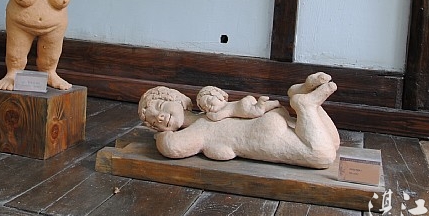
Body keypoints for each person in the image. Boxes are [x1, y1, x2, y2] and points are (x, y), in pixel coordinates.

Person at [137, 72, 341, 169]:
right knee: (333, 143)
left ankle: (304, 105)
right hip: (267, 123)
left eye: (161, 106)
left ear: (177, 98)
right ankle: (302, 95)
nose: (159, 117)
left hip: (264, 134)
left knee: (322, 156)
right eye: (154, 122)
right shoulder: (201, 122)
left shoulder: (198, 128)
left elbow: (171, 147)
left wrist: (160, 138)